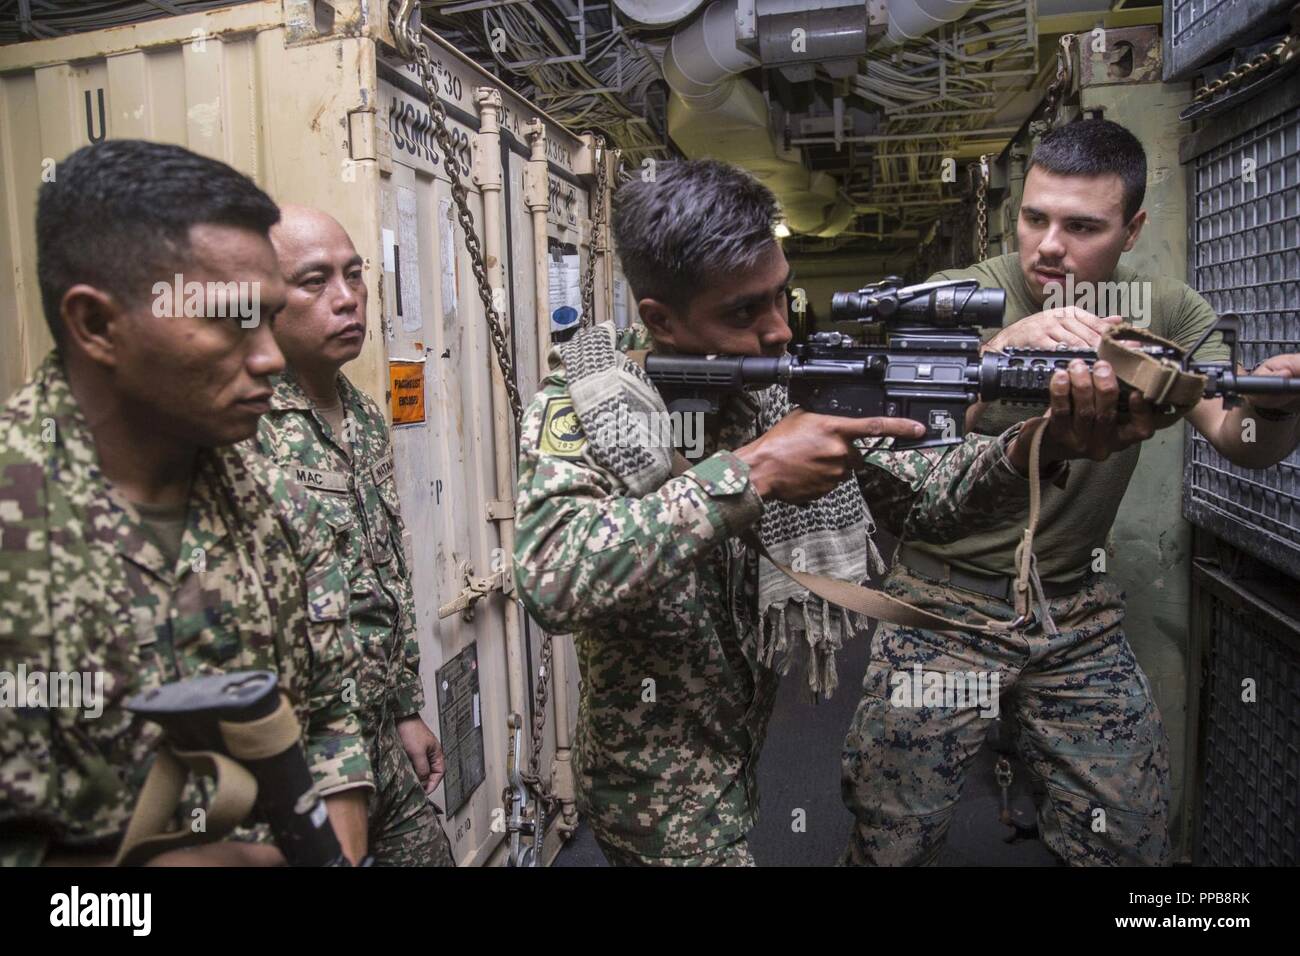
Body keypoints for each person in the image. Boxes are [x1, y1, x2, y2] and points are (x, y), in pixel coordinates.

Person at [512, 158, 1157, 866]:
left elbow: (929, 500)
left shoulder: (776, 388)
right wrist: (754, 472)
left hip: (738, 738)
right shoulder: (593, 402)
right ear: (661, 319)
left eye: (779, 297)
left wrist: (1043, 443)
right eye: (741, 312)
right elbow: (553, 578)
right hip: (653, 771)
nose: (779, 330)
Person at [840, 118, 1300, 866]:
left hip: (1072, 615)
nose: (1050, 245)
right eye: (1034, 218)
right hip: (942, 614)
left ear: (1132, 228)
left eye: (1082, 226)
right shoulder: (951, 302)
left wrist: (1278, 410)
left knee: (1128, 834)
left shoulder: (1167, 313)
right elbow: (892, 442)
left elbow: (1241, 442)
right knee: (892, 836)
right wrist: (1001, 349)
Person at [0, 140, 372, 866]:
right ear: (96, 325)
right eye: (232, 319)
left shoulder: (273, 491)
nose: (268, 356)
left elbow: (327, 714)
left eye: (268, 318)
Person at [247, 205, 454, 867]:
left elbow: (378, 573)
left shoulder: (360, 414)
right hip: (300, 753)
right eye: (314, 282)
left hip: (373, 732)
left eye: (354, 276)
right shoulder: (242, 426)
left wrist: (403, 707)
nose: (346, 299)